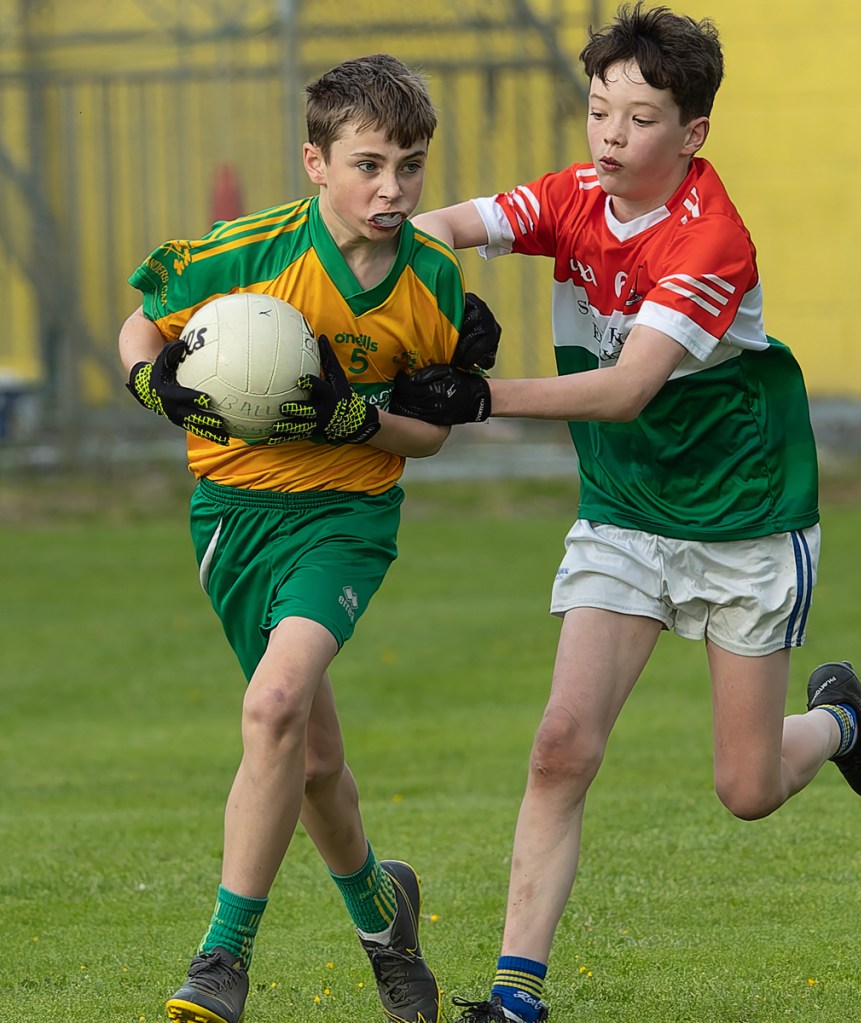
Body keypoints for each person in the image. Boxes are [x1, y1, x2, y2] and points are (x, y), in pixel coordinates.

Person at [390, 6, 861, 1021]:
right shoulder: (574, 196)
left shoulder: (710, 240)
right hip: (624, 511)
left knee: (746, 789)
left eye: (639, 118)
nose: (610, 136)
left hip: (743, 520)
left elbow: (625, 390)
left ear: (691, 133)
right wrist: (439, 294)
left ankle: (839, 721)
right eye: (597, 111)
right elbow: (433, 228)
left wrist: (479, 396)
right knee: (559, 746)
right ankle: (515, 998)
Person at [120, 53, 498, 1023]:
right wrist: (153, 384)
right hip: (233, 518)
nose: (392, 189)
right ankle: (382, 919)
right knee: (313, 759)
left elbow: (427, 436)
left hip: (345, 519)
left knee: (275, 701)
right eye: (368, 165)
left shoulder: (430, 280)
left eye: (409, 167)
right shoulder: (250, 252)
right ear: (316, 163)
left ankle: (221, 958)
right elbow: (140, 325)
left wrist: (353, 419)